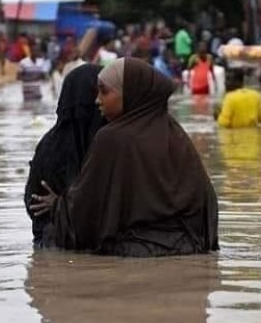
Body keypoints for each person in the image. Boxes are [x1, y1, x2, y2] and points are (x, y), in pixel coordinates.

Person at [30, 58, 219, 257]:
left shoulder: (111, 138)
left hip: (134, 253)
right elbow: (207, 202)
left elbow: (87, 212)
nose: (97, 100)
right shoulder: (176, 134)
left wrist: (57, 206)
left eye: (104, 91)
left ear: (130, 94)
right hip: (191, 248)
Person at [24, 64, 104, 246]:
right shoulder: (106, 140)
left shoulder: (48, 144)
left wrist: (60, 206)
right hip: (64, 242)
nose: (100, 101)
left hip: (52, 244)